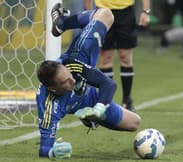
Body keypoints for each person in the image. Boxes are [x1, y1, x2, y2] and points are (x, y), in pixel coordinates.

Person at [36, 3, 141, 159]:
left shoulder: (72, 65)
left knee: (106, 14)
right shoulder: (48, 104)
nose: (71, 79)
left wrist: (99, 108)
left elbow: (108, 84)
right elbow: (44, 148)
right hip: (84, 103)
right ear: (53, 89)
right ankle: (87, 115)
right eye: (65, 82)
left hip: (83, 62)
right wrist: (52, 152)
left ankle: (62, 23)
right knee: (133, 123)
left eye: (68, 75)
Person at [85, 0, 151, 111]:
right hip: (103, 12)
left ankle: (127, 100)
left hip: (126, 12)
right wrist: (88, 12)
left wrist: (146, 11)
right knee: (105, 57)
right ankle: (106, 101)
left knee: (125, 56)